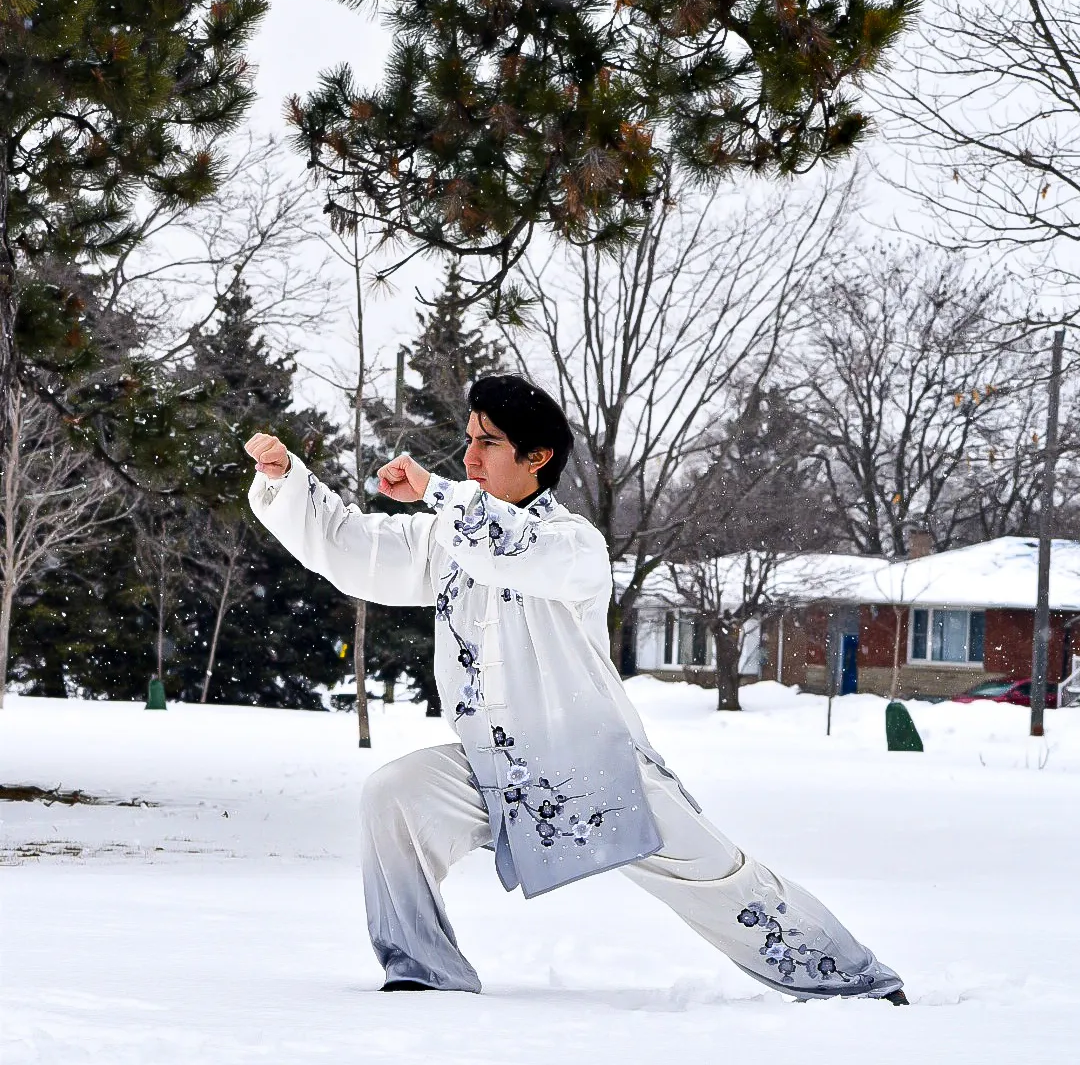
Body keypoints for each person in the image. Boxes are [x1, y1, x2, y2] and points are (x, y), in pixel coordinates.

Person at [245, 374, 907, 1004]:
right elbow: (352, 545)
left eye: (488, 443)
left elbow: (505, 549)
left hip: (596, 770)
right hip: (494, 768)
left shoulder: (572, 544)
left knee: (717, 878)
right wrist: (286, 480)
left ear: (537, 457)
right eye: (469, 440)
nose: (470, 458)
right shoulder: (445, 538)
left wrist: (436, 492)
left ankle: (854, 979)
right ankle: (422, 971)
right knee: (394, 794)